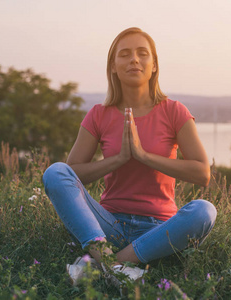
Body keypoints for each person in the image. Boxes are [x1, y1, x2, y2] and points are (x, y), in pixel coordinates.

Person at [42, 27, 217, 287]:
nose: (134, 59)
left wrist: (143, 155)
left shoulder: (174, 111)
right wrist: (120, 158)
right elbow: (72, 174)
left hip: (158, 230)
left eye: (142, 53)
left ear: (154, 64)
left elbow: (202, 174)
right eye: (124, 54)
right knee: (55, 172)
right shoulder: (99, 114)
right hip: (107, 226)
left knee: (204, 211)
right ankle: (115, 262)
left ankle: (106, 263)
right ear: (113, 66)